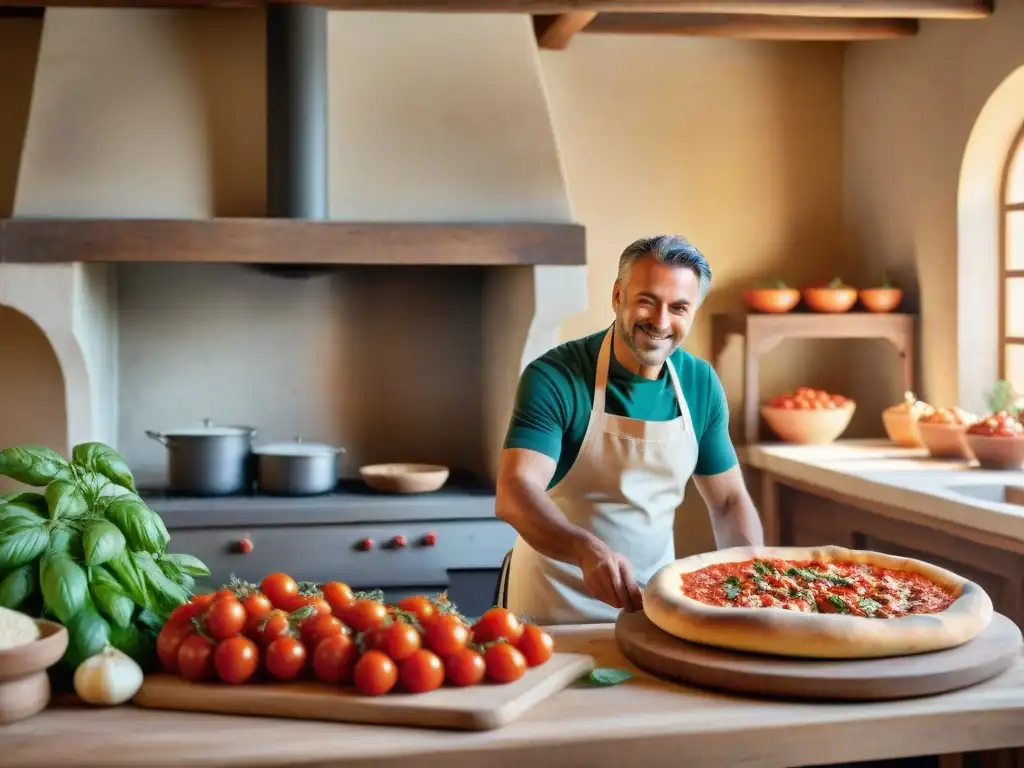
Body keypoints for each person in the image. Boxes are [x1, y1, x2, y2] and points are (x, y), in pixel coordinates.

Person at [494, 234, 764, 625]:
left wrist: (750, 579)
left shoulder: (700, 383)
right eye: (647, 300)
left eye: (678, 307)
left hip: (650, 607)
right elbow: (515, 492)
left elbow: (727, 502)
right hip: (549, 610)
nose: (660, 321)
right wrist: (586, 549)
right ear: (618, 296)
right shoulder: (556, 377)